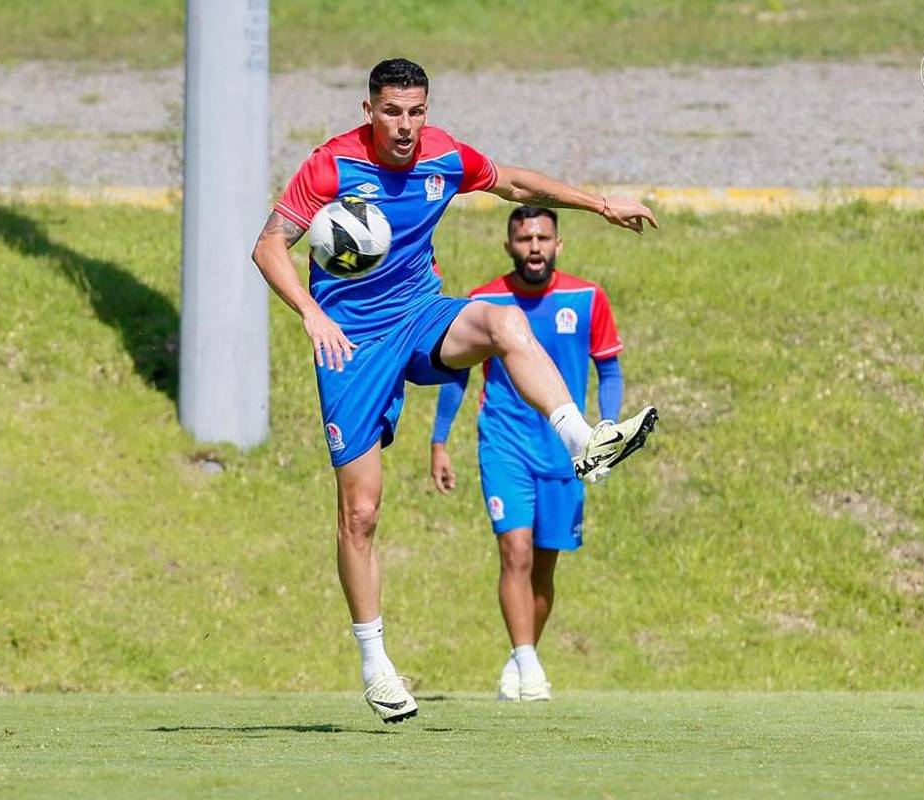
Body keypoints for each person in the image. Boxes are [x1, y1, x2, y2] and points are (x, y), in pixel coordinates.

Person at [250, 58, 658, 723]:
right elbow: (269, 247)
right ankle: (376, 665)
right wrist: (312, 313)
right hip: (350, 342)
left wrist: (600, 203)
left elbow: (514, 181)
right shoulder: (331, 166)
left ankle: (583, 440)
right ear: (368, 111)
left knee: (504, 321)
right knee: (361, 511)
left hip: (419, 314)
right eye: (392, 112)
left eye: (416, 112)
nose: (405, 126)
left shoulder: (443, 155)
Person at [430, 206, 632, 701]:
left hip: (563, 453)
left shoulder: (587, 298)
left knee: (544, 568)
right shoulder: (484, 302)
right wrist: (439, 440)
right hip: (504, 444)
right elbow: (456, 375)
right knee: (514, 553)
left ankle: (521, 658)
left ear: (558, 245)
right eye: (524, 238)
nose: (534, 247)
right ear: (509, 246)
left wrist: (605, 426)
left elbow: (609, 369)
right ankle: (529, 664)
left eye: (543, 237)